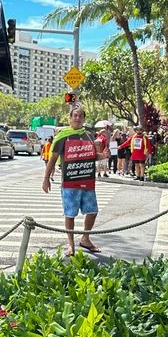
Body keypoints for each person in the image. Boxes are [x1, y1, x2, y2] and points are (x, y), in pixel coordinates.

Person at [42, 105, 109, 257]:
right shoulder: (62, 136)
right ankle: (71, 245)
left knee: (92, 212)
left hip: (87, 181)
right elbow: (52, 158)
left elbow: (93, 156)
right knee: (70, 214)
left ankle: (85, 239)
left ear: (84, 119)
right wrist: (46, 179)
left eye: (80, 116)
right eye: (75, 115)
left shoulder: (89, 135)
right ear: (70, 118)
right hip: (69, 183)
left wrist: (103, 156)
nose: (77, 118)